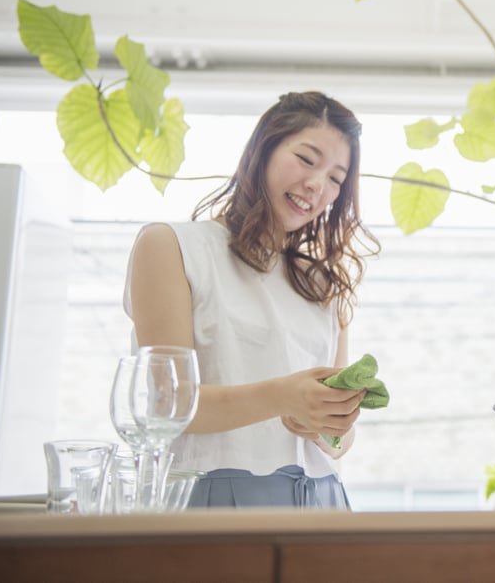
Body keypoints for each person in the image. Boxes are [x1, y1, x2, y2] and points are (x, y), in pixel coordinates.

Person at [124, 91, 380, 509]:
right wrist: (287, 396)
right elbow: (166, 403)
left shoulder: (324, 284)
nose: (317, 185)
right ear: (262, 150)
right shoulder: (173, 246)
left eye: (336, 178)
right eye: (307, 159)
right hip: (209, 496)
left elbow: (340, 440)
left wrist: (330, 420)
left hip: (325, 499)